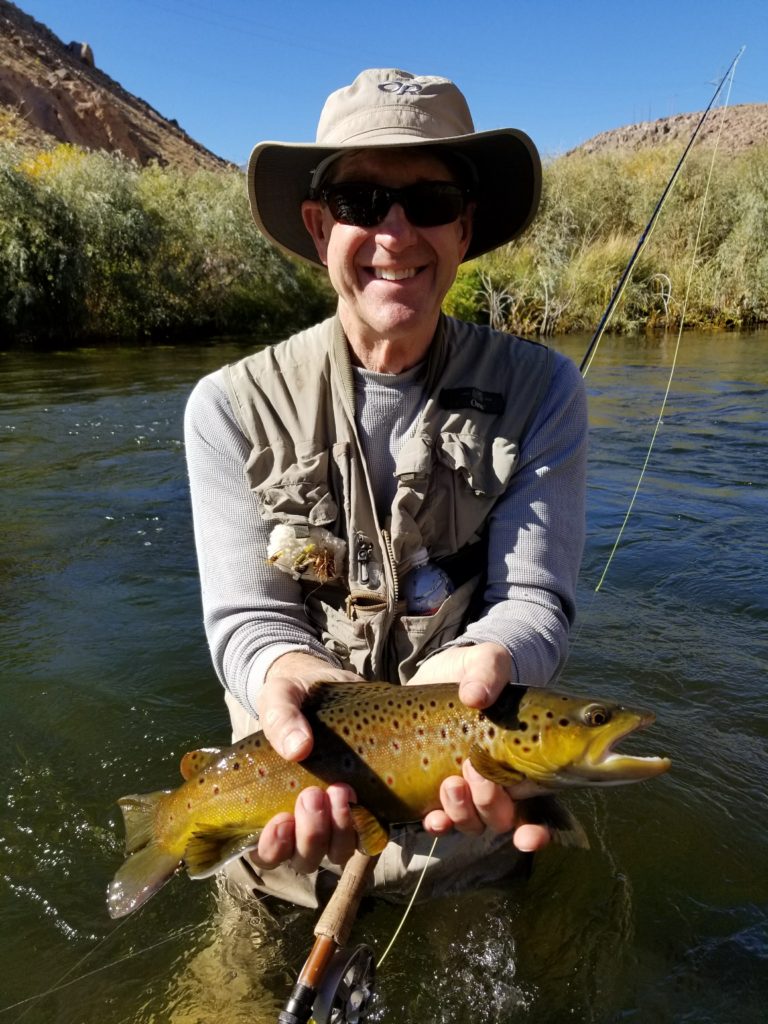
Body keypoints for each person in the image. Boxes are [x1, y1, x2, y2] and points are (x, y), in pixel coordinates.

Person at [184, 68, 587, 908]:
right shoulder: (226, 406)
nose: (396, 232)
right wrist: (285, 678)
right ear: (318, 224)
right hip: (283, 800)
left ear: (465, 227)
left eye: (431, 200)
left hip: (468, 805)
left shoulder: (544, 390)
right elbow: (247, 619)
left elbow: (534, 601)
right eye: (363, 200)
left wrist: (482, 669)